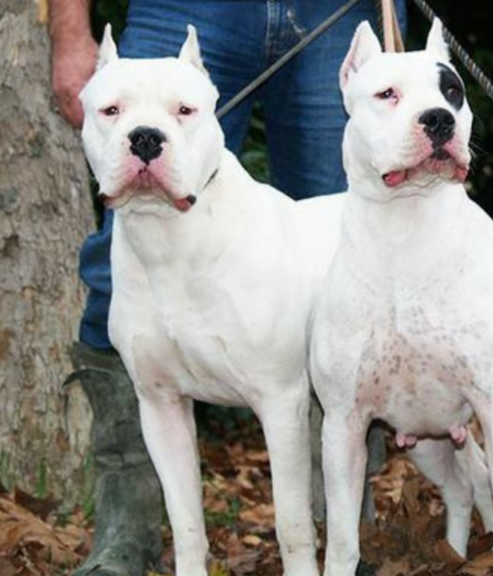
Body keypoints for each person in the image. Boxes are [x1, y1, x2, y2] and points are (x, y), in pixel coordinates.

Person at [48, 1, 406, 574]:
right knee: (116, 290)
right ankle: (134, 535)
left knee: (358, 232)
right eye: (111, 111)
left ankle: (337, 542)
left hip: (339, 8)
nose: (145, 134)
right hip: (184, 3)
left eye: (184, 111)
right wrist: (69, 31)